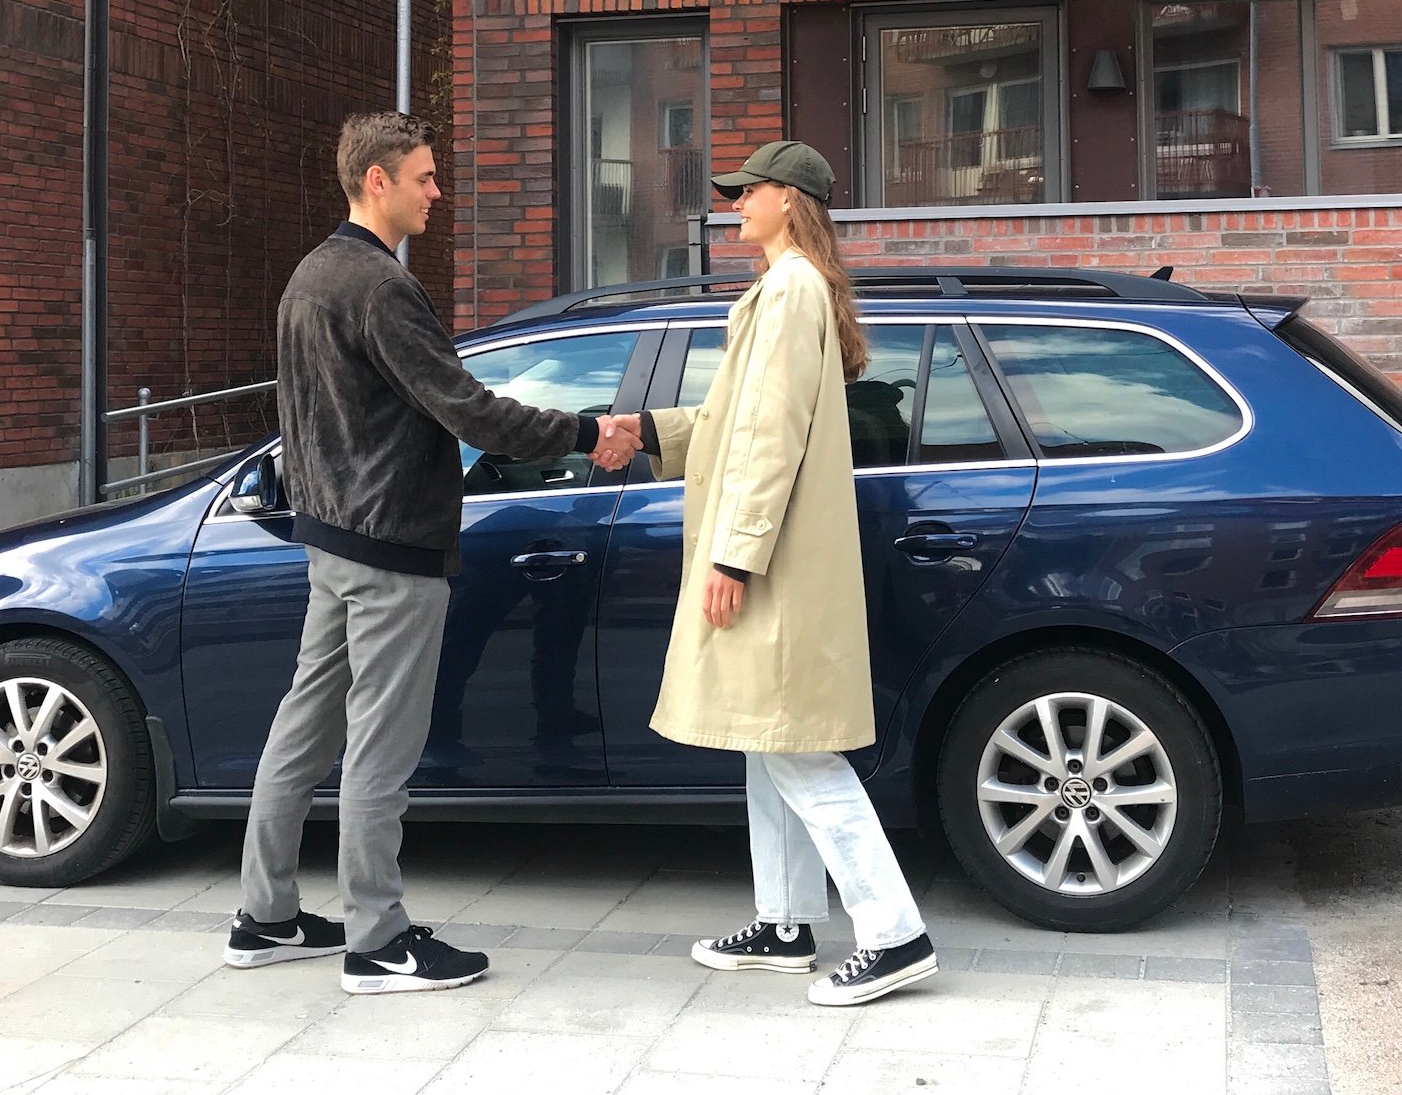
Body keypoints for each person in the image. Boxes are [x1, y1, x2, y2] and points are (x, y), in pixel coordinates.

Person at [225, 111, 640, 994]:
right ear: (376, 180)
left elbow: (304, 419)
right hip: (390, 550)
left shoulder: (309, 276)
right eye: (424, 176)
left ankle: (264, 916)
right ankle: (377, 940)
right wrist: (584, 431)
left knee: (303, 728)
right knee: (380, 749)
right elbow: (467, 407)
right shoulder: (380, 286)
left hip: (333, 541)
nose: (437, 192)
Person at [614, 140, 936, 1007]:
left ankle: (895, 933)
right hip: (777, 556)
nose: (736, 204)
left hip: (775, 561)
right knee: (769, 737)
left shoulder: (791, 289)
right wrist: (649, 431)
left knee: (796, 747)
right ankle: (786, 922)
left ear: (790, 200)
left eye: (749, 191)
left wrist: (735, 553)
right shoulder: (786, 287)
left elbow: (771, 433)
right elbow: (737, 417)